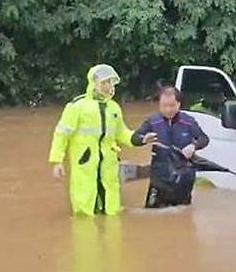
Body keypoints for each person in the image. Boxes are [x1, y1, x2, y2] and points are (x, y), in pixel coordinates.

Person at [49, 64, 158, 216]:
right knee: (85, 210)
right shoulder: (77, 107)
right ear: (95, 83)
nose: (109, 87)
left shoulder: (113, 108)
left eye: (111, 82)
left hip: (108, 163)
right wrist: (57, 161)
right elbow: (62, 134)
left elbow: (122, 133)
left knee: (111, 208)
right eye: (105, 83)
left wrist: (141, 139)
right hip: (85, 163)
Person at [132, 86, 209, 208]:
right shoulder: (152, 121)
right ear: (159, 105)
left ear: (179, 104)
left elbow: (204, 139)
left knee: (183, 218)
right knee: (151, 217)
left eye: (172, 105)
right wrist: (143, 139)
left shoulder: (189, 121)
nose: (168, 110)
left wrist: (193, 146)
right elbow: (134, 139)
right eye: (164, 106)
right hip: (159, 179)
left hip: (184, 178)